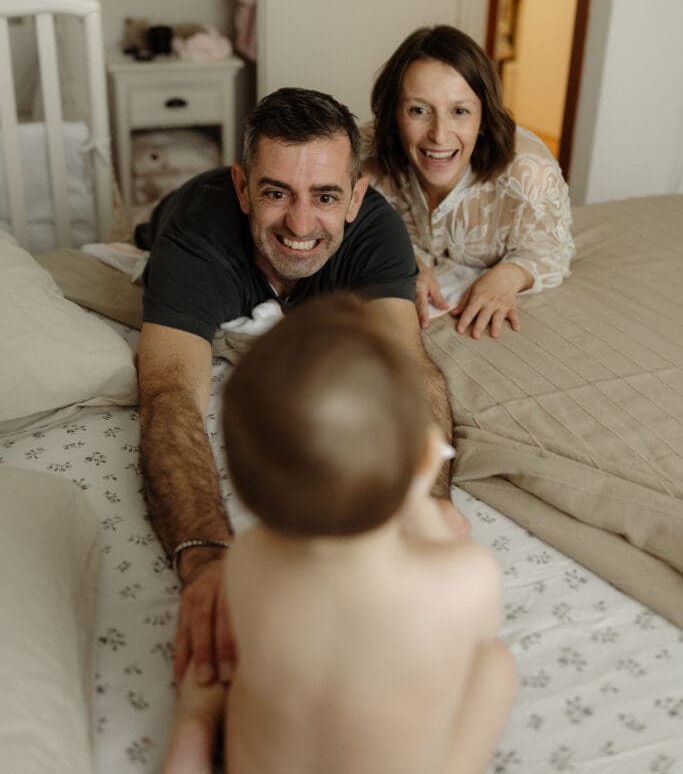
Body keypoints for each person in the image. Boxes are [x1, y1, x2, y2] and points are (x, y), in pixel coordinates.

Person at [134, 87, 460, 698]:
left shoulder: (376, 233)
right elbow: (169, 398)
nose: (301, 224)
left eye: (326, 197)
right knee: (147, 229)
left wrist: (428, 507)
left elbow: (412, 371)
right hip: (170, 219)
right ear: (242, 188)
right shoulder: (197, 238)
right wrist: (206, 559)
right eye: (276, 193)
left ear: (356, 197)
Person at [162, 294, 516, 774]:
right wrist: (423, 507)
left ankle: (196, 726)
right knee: (494, 667)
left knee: (221, 670)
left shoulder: (247, 560)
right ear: (421, 463)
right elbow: (476, 632)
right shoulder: (464, 580)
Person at [363, 25, 575, 338]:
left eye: (460, 111)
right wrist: (407, 262)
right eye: (418, 110)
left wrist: (508, 276)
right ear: (394, 115)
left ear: (484, 118)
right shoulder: (362, 160)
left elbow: (553, 250)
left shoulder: (530, 174)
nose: (439, 135)